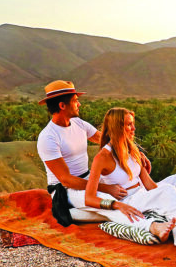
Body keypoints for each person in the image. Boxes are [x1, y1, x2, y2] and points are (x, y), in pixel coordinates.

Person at [84, 108, 176, 245]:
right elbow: (89, 198)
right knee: (167, 191)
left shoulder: (132, 149)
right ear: (117, 127)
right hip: (129, 200)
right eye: (129, 124)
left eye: (133, 124)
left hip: (143, 193)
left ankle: (174, 215)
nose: (134, 128)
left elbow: (149, 185)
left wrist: (161, 196)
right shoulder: (102, 157)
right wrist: (117, 205)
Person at [37, 80, 129, 225]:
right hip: (66, 190)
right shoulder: (48, 137)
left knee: (127, 192)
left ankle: (77, 214)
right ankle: (71, 211)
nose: (79, 104)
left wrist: (136, 153)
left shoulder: (78, 123)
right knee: (112, 205)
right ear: (62, 105)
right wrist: (106, 188)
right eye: (75, 101)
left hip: (88, 180)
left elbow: (105, 140)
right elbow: (66, 179)